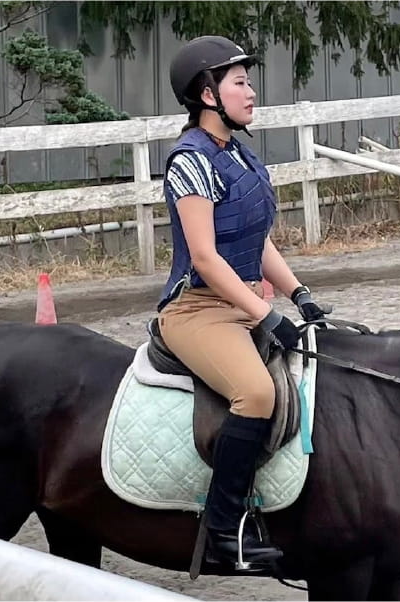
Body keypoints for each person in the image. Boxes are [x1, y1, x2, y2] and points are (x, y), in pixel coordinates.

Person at [157, 35, 329, 570]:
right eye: (240, 82)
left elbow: (257, 243)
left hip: (239, 303)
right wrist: (266, 315)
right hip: (197, 309)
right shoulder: (190, 162)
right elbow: (206, 259)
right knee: (255, 393)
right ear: (208, 95)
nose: (251, 92)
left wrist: (300, 295)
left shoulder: (238, 154)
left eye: (248, 81)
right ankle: (224, 531)